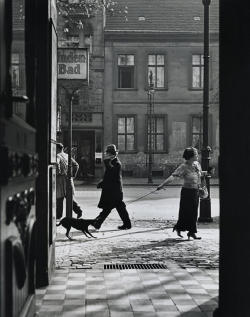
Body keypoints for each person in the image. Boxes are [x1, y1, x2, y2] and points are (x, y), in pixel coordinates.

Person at [157, 147, 207, 240]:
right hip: (187, 192)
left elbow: (200, 174)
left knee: (194, 213)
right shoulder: (183, 167)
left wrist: (205, 174)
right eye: (196, 154)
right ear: (191, 156)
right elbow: (173, 177)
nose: (197, 155)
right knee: (185, 213)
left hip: (195, 191)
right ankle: (178, 227)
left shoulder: (197, 164)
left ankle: (192, 232)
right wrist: (162, 185)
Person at [93, 144, 131, 230]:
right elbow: (109, 176)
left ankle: (97, 223)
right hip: (112, 191)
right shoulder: (112, 162)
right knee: (116, 208)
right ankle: (127, 224)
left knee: (108, 208)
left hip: (115, 191)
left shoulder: (116, 163)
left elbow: (113, 174)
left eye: (107, 153)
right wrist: (102, 183)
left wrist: (107, 163)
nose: (106, 155)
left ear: (111, 154)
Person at [56, 143, 83, 219]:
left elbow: (57, 163)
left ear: (57, 149)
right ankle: (79, 210)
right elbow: (76, 165)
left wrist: (58, 172)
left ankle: (58, 216)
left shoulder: (57, 156)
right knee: (69, 197)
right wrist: (73, 175)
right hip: (68, 178)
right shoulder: (67, 155)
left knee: (59, 198)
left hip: (60, 179)